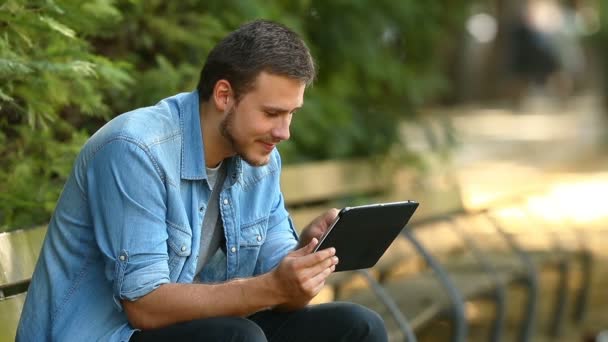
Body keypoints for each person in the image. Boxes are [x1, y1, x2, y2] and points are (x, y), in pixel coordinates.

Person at [17, 19, 387, 342]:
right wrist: (272, 287)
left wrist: (305, 259)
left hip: (198, 332)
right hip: (105, 334)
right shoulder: (135, 150)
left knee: (357, 327)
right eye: (272, 113)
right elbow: (145, 307)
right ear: (224, 95)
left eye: (291, 114)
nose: (284, 131)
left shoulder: (259, 159)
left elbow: (281, 294)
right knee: (237, 337)